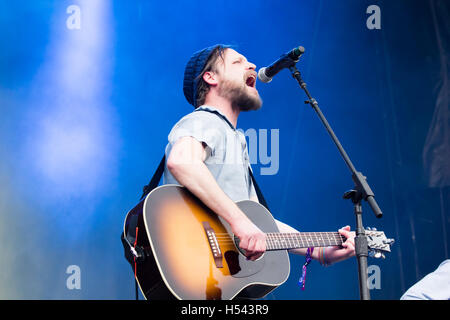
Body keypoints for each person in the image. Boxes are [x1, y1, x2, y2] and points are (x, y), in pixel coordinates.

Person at [163, 44, 356, 275]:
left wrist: (319, 251)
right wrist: (240, 222)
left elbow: (259, 224)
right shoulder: (207, 119)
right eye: (237, 62)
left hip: (217, 274)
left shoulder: (233, 137)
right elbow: (182, 161)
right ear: (210, 77)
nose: (252, 65)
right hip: (198, 267)